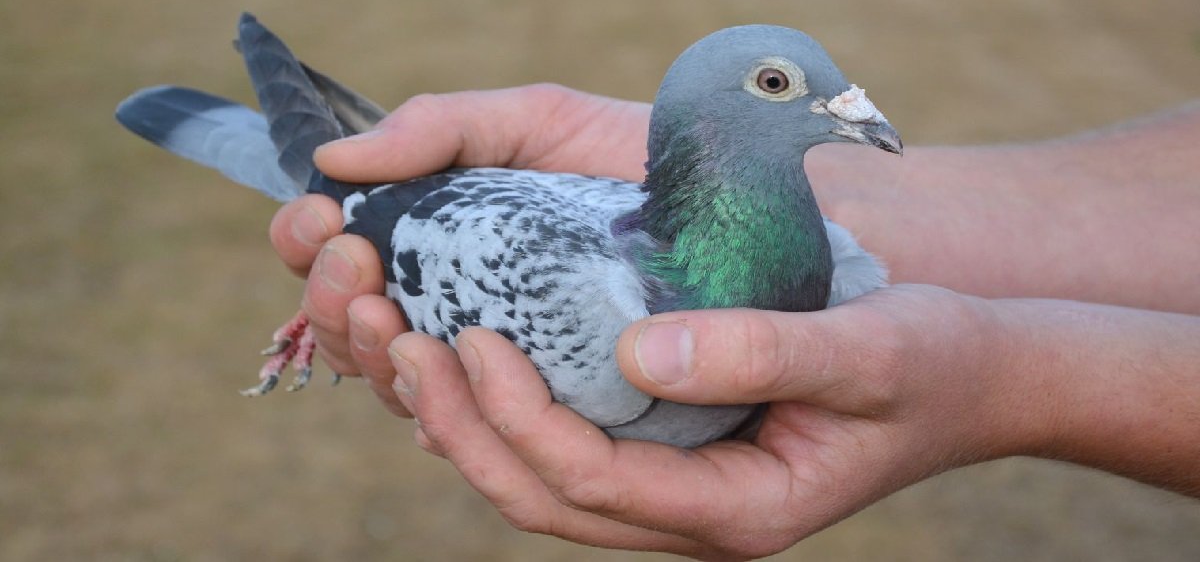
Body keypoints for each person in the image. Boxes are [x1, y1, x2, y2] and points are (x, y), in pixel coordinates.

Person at [268, 84, 1200, 559]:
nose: (853, 109)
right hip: (436, 222)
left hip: (513, 219)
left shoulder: (833, 257)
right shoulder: (596, 310)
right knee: (354, 258)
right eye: (783, 84)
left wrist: (1008, 381)